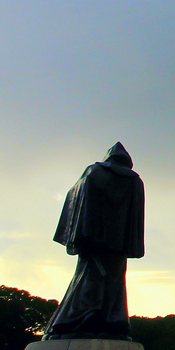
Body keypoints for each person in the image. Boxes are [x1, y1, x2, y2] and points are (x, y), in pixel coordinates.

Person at [45, 142, 145, 338]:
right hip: (119, 243)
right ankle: (113, 319)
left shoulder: (94, 171)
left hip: (93, 236)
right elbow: (136, 216)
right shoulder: (134, 181)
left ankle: (83, 315)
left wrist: (83, 233)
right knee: (114, 279)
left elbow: (77, 197)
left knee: (89, 275)